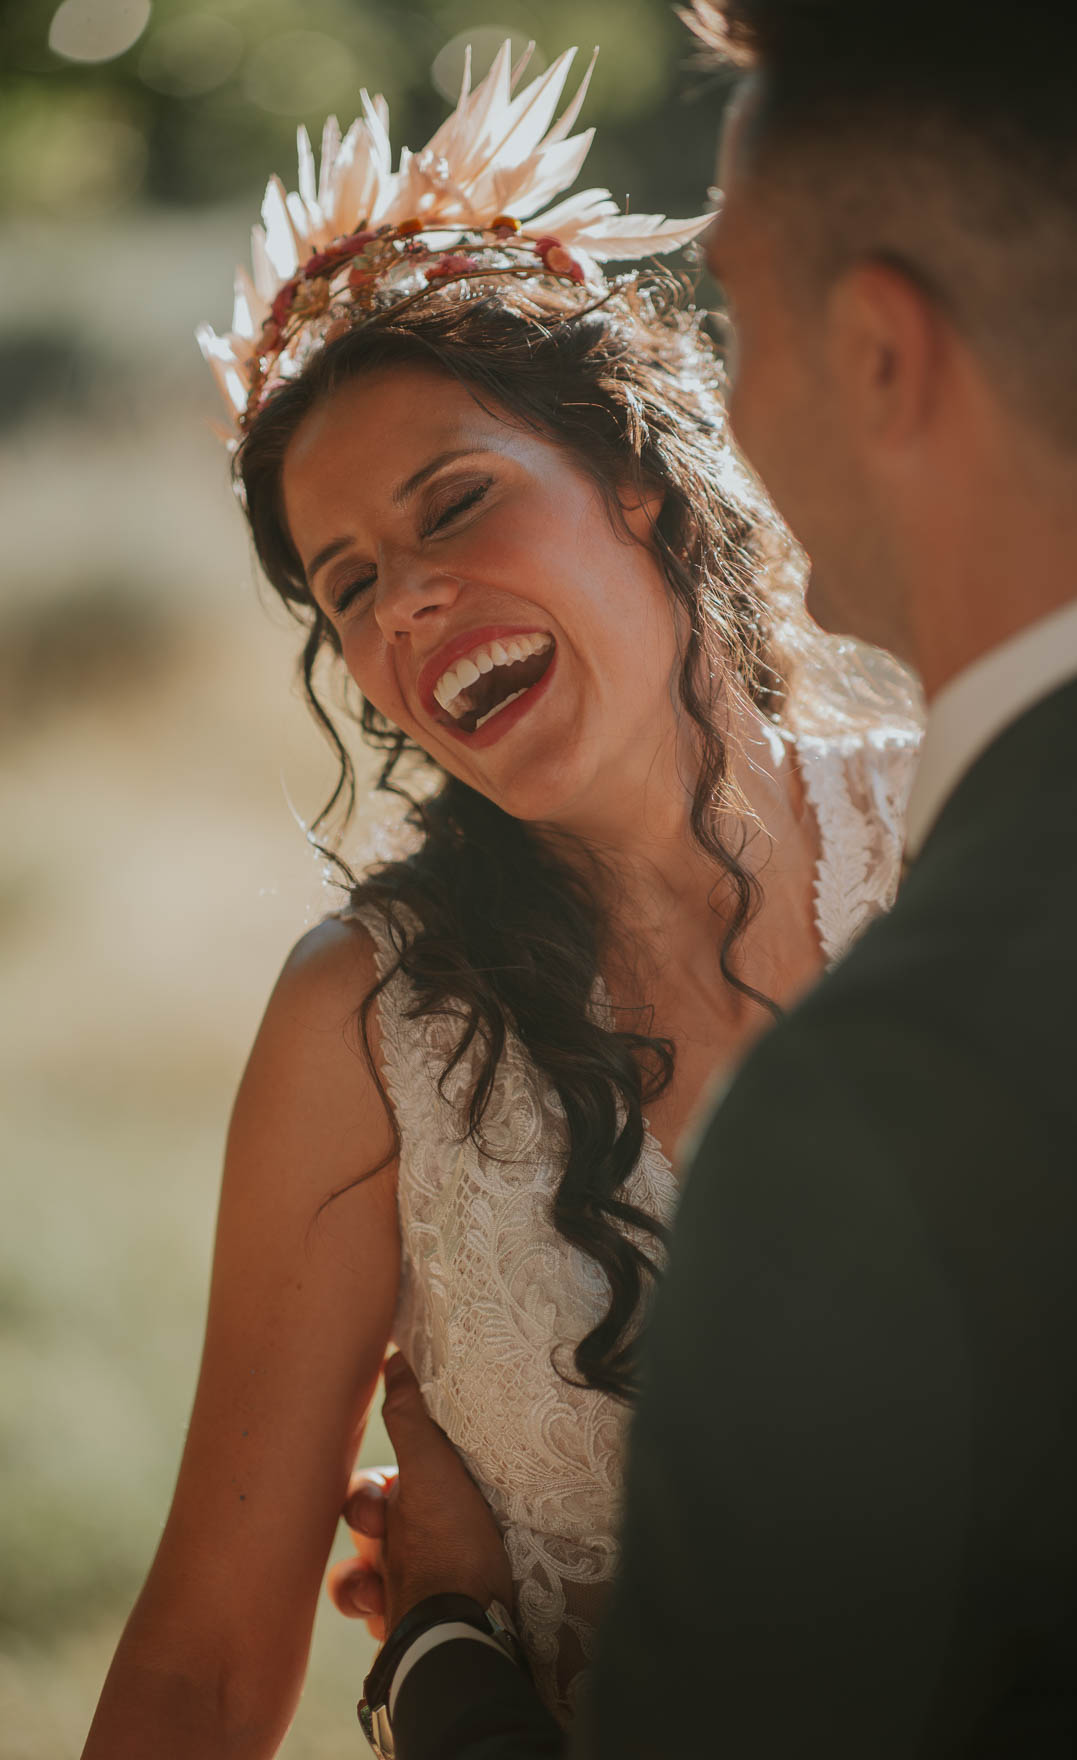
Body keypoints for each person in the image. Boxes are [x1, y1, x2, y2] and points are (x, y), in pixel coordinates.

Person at [80, 40, 921, 1759]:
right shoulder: (370, 1027)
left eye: (454, 499)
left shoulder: (969, 819)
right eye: (350, 584)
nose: (408, 604)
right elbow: (202, 1667)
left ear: (632, 470)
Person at [330, 3, 1077, 1756]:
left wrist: (440, 1644)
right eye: (343, 581)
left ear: (885, 353)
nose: (714, 402)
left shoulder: (870, 1108)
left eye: (733, 316)